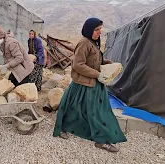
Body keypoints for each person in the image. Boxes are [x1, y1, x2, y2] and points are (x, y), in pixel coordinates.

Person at [53, 18, 127, 153]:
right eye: (96, 29)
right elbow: (78, 65)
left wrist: (108, 62)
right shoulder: (83, 43)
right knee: (87, 111)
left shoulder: (93, 43)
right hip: (83, 84)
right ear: (89, 29)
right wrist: (97, 74)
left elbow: (94, 60)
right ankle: (99, 139)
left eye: (100, 29)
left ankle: (100, 138)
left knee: (92, 111)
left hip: (92, 83)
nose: (99, 32)